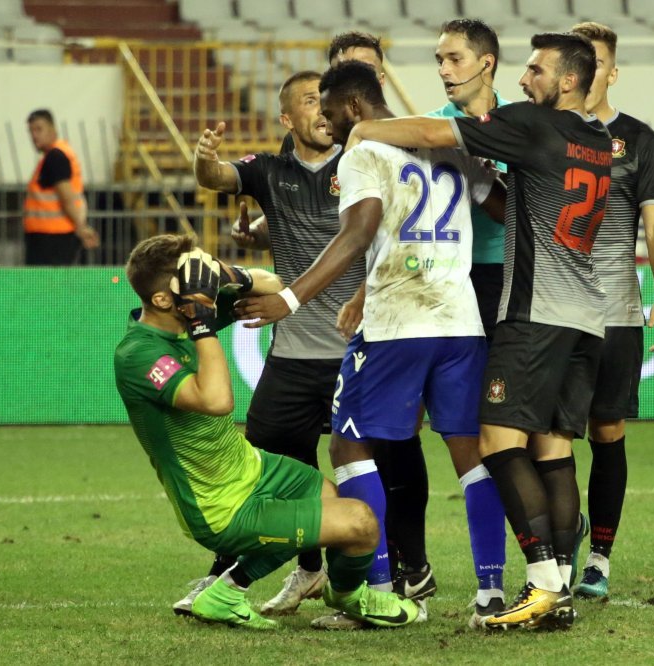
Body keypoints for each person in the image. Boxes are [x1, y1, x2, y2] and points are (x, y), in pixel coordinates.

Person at [341, 32, 612, 631]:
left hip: (534, 313)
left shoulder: (532, 124)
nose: (524, 79)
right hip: (587, 314)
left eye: (536, 70)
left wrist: (362, 129)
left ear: (568, 81)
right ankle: (559, 586)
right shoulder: (598, 139)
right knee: (554, 449)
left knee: (496, 442)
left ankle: (541, 584)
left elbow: (435, 133)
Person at [234, 60, 508, 629]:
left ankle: (376, 593)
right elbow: (506, 209)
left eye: (333, 111)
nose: (331, 124)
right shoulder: (447, 144)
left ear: (355, 106)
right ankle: (491, 592)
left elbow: (357, 232)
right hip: (459, 324)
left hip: (398, 326)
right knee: (470, 455)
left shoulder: (363, 152)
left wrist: (289, 299)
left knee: (349, 450)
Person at [113, 235, 419, 630]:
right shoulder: (139, 353)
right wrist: (202, 324)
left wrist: (226, 274)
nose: (206, 285)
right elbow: (217, 401)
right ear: (161, 299)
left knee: (330, 498)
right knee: (360, 522)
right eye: (195, 276)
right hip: (219, 506)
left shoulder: (188, 310)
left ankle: (228, 590)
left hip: (253, 469)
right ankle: (349, 597)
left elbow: (274, 286)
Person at [189, 70, 368, 618]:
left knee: (368, 469)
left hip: (357, 352)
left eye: (326, 101)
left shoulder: (360, 164)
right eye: (311, 102)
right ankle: (292, 569)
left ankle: (382, 577)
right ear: (288, 118)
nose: (323, 111)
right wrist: (203, 157)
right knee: (268, 471)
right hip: (292, 357)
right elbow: (216, 177)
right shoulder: (269, 171)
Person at [569, 22, 654, 600]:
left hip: (614, 312)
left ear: (612, 72)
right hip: (550, 313)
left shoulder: (638, 141)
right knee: (542, 436)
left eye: (598, 61)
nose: (588, 70)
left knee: (606, 429)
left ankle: (599, 559)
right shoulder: (544, 131)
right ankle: (565, 526)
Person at [426, 19, 510, 344]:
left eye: (455, 59)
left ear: (486, 63)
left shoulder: (522, 124)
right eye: (439, 60)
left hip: (508, 272)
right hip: (444, 274)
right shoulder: (427, 129)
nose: (443, 70)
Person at [22, 109, 99, 265]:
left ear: (53, 130)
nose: (34, 136)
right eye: (31, 131)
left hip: (52, 239)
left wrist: (81, 227)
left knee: (47, 281)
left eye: (39, 129)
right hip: (51, 236)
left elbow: (67, 197)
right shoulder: (57, 154)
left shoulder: (55, 157)